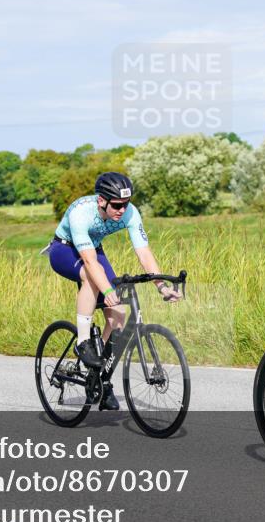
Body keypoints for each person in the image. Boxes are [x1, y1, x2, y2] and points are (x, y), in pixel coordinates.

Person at [48, 172, 181, 411]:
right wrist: (107, 289)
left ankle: (100, 379)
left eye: (126, 204)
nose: (122, 210)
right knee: (93, 278)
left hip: (94, 248)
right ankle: (83, 342)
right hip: (64, 250)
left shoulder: (130, 213)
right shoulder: (81, 213)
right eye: (117, 205)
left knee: (118, 315)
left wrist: (161, 286)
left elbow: (144, 253)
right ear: (102, 201)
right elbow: (89, 262)